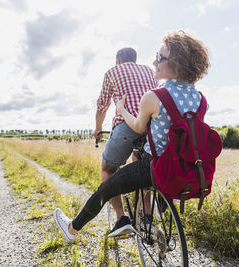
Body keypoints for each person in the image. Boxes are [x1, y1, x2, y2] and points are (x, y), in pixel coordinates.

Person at [54, 31, 210, 241]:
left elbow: (137, 127)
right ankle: (147, 216)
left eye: (159, 57)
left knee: (105, 186)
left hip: (154, 166)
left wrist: (121, 109)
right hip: (184, 167)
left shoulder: (155, 96)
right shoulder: (201, 99)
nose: (154, 62)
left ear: (175, 63)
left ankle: (73, 228)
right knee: (139, 165)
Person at [94, 47, 158, 236]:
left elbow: (102, 105)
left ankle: (122, 219)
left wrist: (98, 129)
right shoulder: (149, 71)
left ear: (118, 60)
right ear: (135, 59)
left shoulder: (113, 72)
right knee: (143, 169)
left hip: (126, 126)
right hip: (152, 127)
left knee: (108, 170)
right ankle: (147, 216)